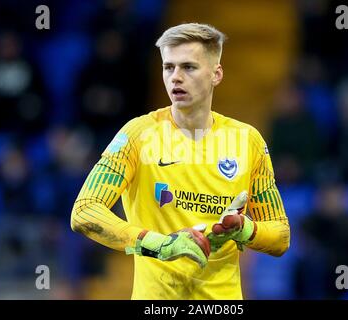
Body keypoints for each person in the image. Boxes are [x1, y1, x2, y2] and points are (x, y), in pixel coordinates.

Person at [71, 23, 290, 300]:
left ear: (216, 74)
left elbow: (281, 236)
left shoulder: (248, 141)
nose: (176, 77)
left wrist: (243, 228)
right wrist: (160, 245)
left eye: (188, 67)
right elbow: (84, 211)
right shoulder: (139, 135)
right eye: (168, 67)